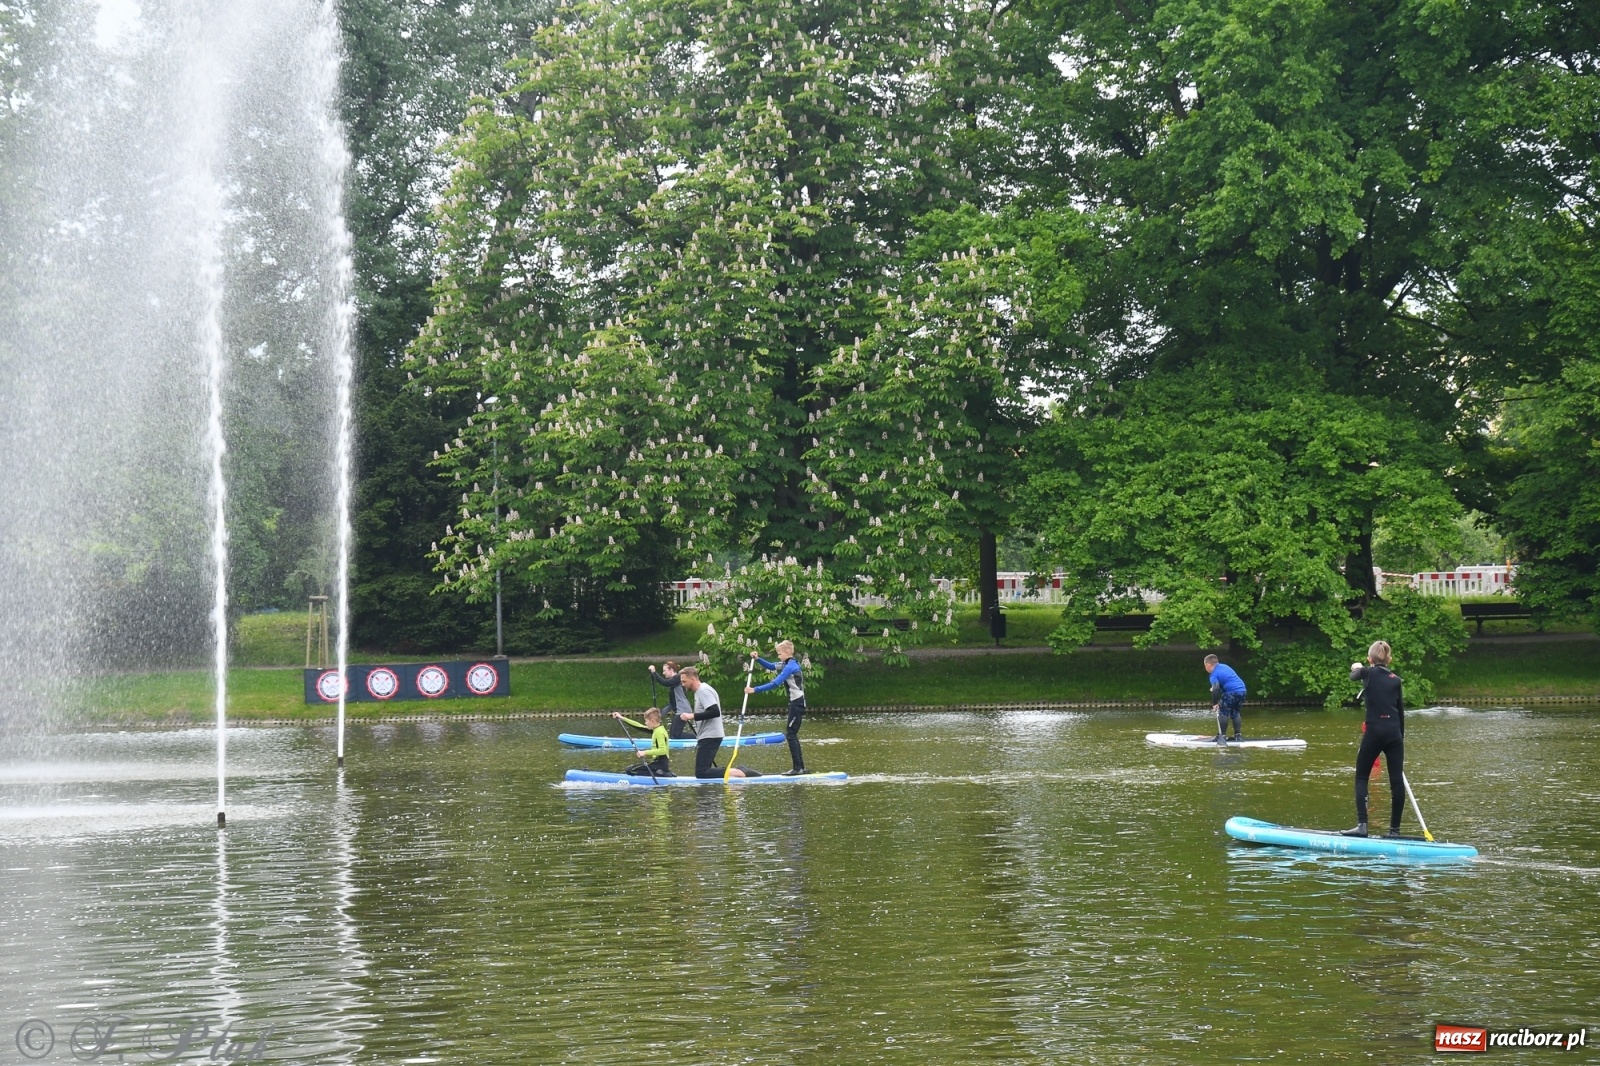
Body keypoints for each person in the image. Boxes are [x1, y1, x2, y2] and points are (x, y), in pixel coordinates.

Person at [1343, 640, 1406, 838]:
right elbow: (1401, 712)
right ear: (1389, 660)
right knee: (1396, 782)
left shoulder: (1366, 673)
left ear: (1369, 659)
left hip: (1375, 733)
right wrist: (1399, 740)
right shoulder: (1396, 680)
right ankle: (1394, 831)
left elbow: (1354, 675)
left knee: (1361, 776)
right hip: (1394, 734)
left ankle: (1362, 826)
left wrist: (1358, 667)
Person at [678, 667, 757, 779]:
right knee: (704, 771)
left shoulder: (703, 691)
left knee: (701, 772)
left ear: (693, 679)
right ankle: (720, 784)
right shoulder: (699, 691)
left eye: (684, 681)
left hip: (710, 735)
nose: (682, 684)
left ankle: (739, 772)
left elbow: (715, 711)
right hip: (707, 735)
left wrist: (692, 716)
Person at [746, 640, 808, 775]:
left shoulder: (790, 667)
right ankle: (801, 768)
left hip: (797, 703)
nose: (778, 656)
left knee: (791, 734)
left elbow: (775, 684)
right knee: (792, 734)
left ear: (786, 653)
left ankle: (798, 768)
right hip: (796, 703)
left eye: (779, 654)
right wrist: (758, 659)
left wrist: (754, 690)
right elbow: (771, 666)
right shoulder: (787, 664)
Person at [612, 707, 673, 777]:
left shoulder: (659, 732)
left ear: (652, 721)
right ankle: (661, 772)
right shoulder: (657, 728)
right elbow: (639, 726)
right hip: (658, 764)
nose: (645, 723)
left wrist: (644, 752)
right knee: (631, 769)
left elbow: (663, 750)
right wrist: (622, 718)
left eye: (646, 721)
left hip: (660, 764)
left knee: (630, 770)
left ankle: (661, 774)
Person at [1204, 654, 1247, 743]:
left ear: (1208, 665)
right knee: (1235, 712)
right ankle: (1238, 736)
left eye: (1205, 666)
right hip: (1242, 690)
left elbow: (1215, 688)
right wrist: (1216, 688)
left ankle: (1222, 737)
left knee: (1222, 712)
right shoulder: (1224, 666)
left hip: (1231, 692)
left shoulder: (1213, 674)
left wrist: (1215, 703)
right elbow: (1224, 682)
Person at [650, 661, 692, 739]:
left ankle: (698, 738)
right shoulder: (675, 681)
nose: (663, 673)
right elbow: (672, 703)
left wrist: (654, 672)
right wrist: (661, 714)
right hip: (681, 709)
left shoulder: (677, 677)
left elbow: (665, 683)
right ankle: (697, 737)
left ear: (671, 670)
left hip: (683, 709)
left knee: (675, 735)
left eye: (664, 670)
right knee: (673, 735)